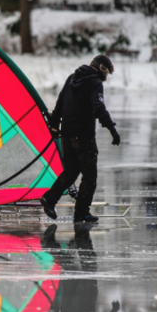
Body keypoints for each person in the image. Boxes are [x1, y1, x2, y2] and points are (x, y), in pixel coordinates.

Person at [40, 54, 120, 224]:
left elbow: (60, 104)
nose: (106, 77)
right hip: (84, 137)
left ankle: (50, 199)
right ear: (102, 69)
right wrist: (112, 129)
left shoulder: (72, 78)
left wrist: (54, 125)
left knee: (71, 171)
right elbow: (99, 107)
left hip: (67, 135)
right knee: (89, 176)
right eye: (107, 72)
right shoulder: (95, 82)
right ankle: (82, 213)